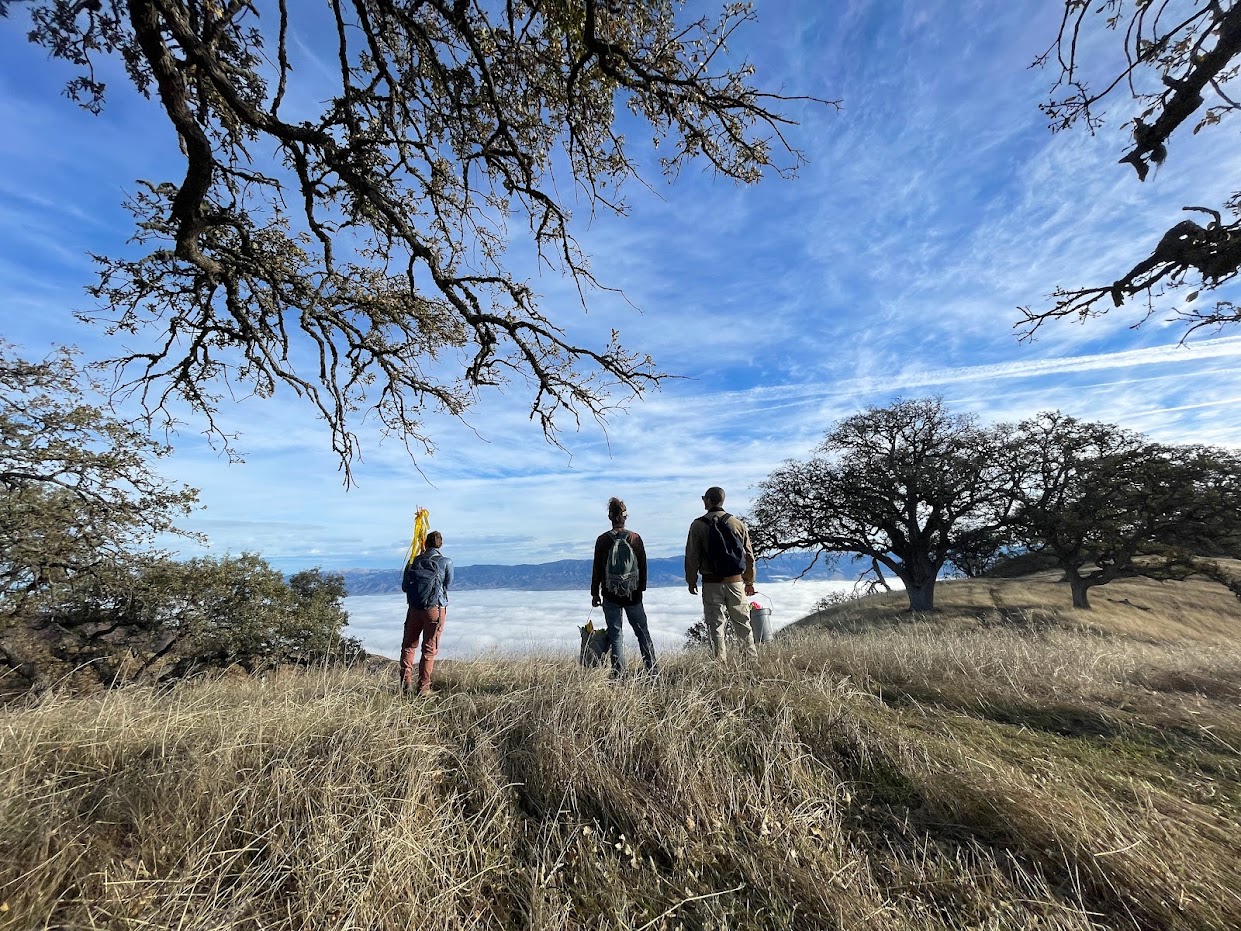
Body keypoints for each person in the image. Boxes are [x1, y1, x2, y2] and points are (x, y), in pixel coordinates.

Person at [685, 486, 758, 661]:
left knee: (715, 625)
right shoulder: (737, 523)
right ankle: (751, 662)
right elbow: (748, 555)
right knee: (742, 623)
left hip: (711, 582)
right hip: (735, 582)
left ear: (709, 501)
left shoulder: (697, 525)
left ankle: (719, 664)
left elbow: (692, 556)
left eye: (704, 498)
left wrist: (691, 580)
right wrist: (749, 581)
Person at [590, 497, 658, 676]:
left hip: (609, 593)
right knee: (643, 633)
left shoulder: (602, 540)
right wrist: (640, 589)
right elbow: (642, 566)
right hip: (633, 594)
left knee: (616, 635)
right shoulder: (635, 538)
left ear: (610, 517)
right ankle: (652, 671)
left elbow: (597, 568)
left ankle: (619, 674)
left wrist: (595, 593)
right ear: (625, 517)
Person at [399, 530, 454, 695]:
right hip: (435, 609)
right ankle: (423, 688)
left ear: (425, 543)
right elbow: (447, 585)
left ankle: (405, 683)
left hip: (414, 608)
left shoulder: (413, 561)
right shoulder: (446, 562)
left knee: (409, 645)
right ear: (441, 544)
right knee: (429, 649)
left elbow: (404, 587)